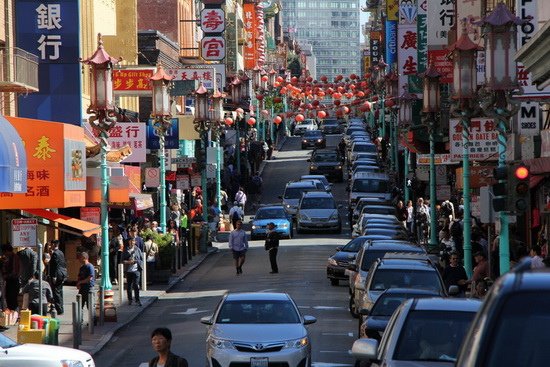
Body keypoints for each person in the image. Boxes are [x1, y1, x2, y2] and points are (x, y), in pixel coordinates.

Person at [122, 237, 144, 306]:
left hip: (136, 270)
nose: (132, 242)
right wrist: (128, 262)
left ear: (135, 242)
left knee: (136, 285)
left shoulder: (138, 250)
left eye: (133, 241)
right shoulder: (125, 250)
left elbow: (141, 260)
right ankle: (130, 299)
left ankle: (137, 300)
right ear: (129, 242)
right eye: (130, 241)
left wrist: (135, 261)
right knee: (129, 286)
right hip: (128, 270)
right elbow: (122, 260)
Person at [48, 239, 67, 315]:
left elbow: (55, 266)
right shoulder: (61, 252)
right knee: (60, 291)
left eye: (51, 245)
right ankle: (61, 308)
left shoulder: (55, 254)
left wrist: (54, 276)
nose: (50, 246)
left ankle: (59, 309)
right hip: (62, 273)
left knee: (56, 292)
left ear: (53, 245)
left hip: (57, 274)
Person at [1, 244, 20, 310]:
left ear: (7, 251)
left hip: (13, 282)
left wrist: (6, 275)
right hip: (9, 281)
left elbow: (14, 272)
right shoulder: (8, 258)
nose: (4, 254)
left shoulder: (14, 257)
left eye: (4, 252)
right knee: (8, 299)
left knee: (13, 300)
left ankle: (15, 315)